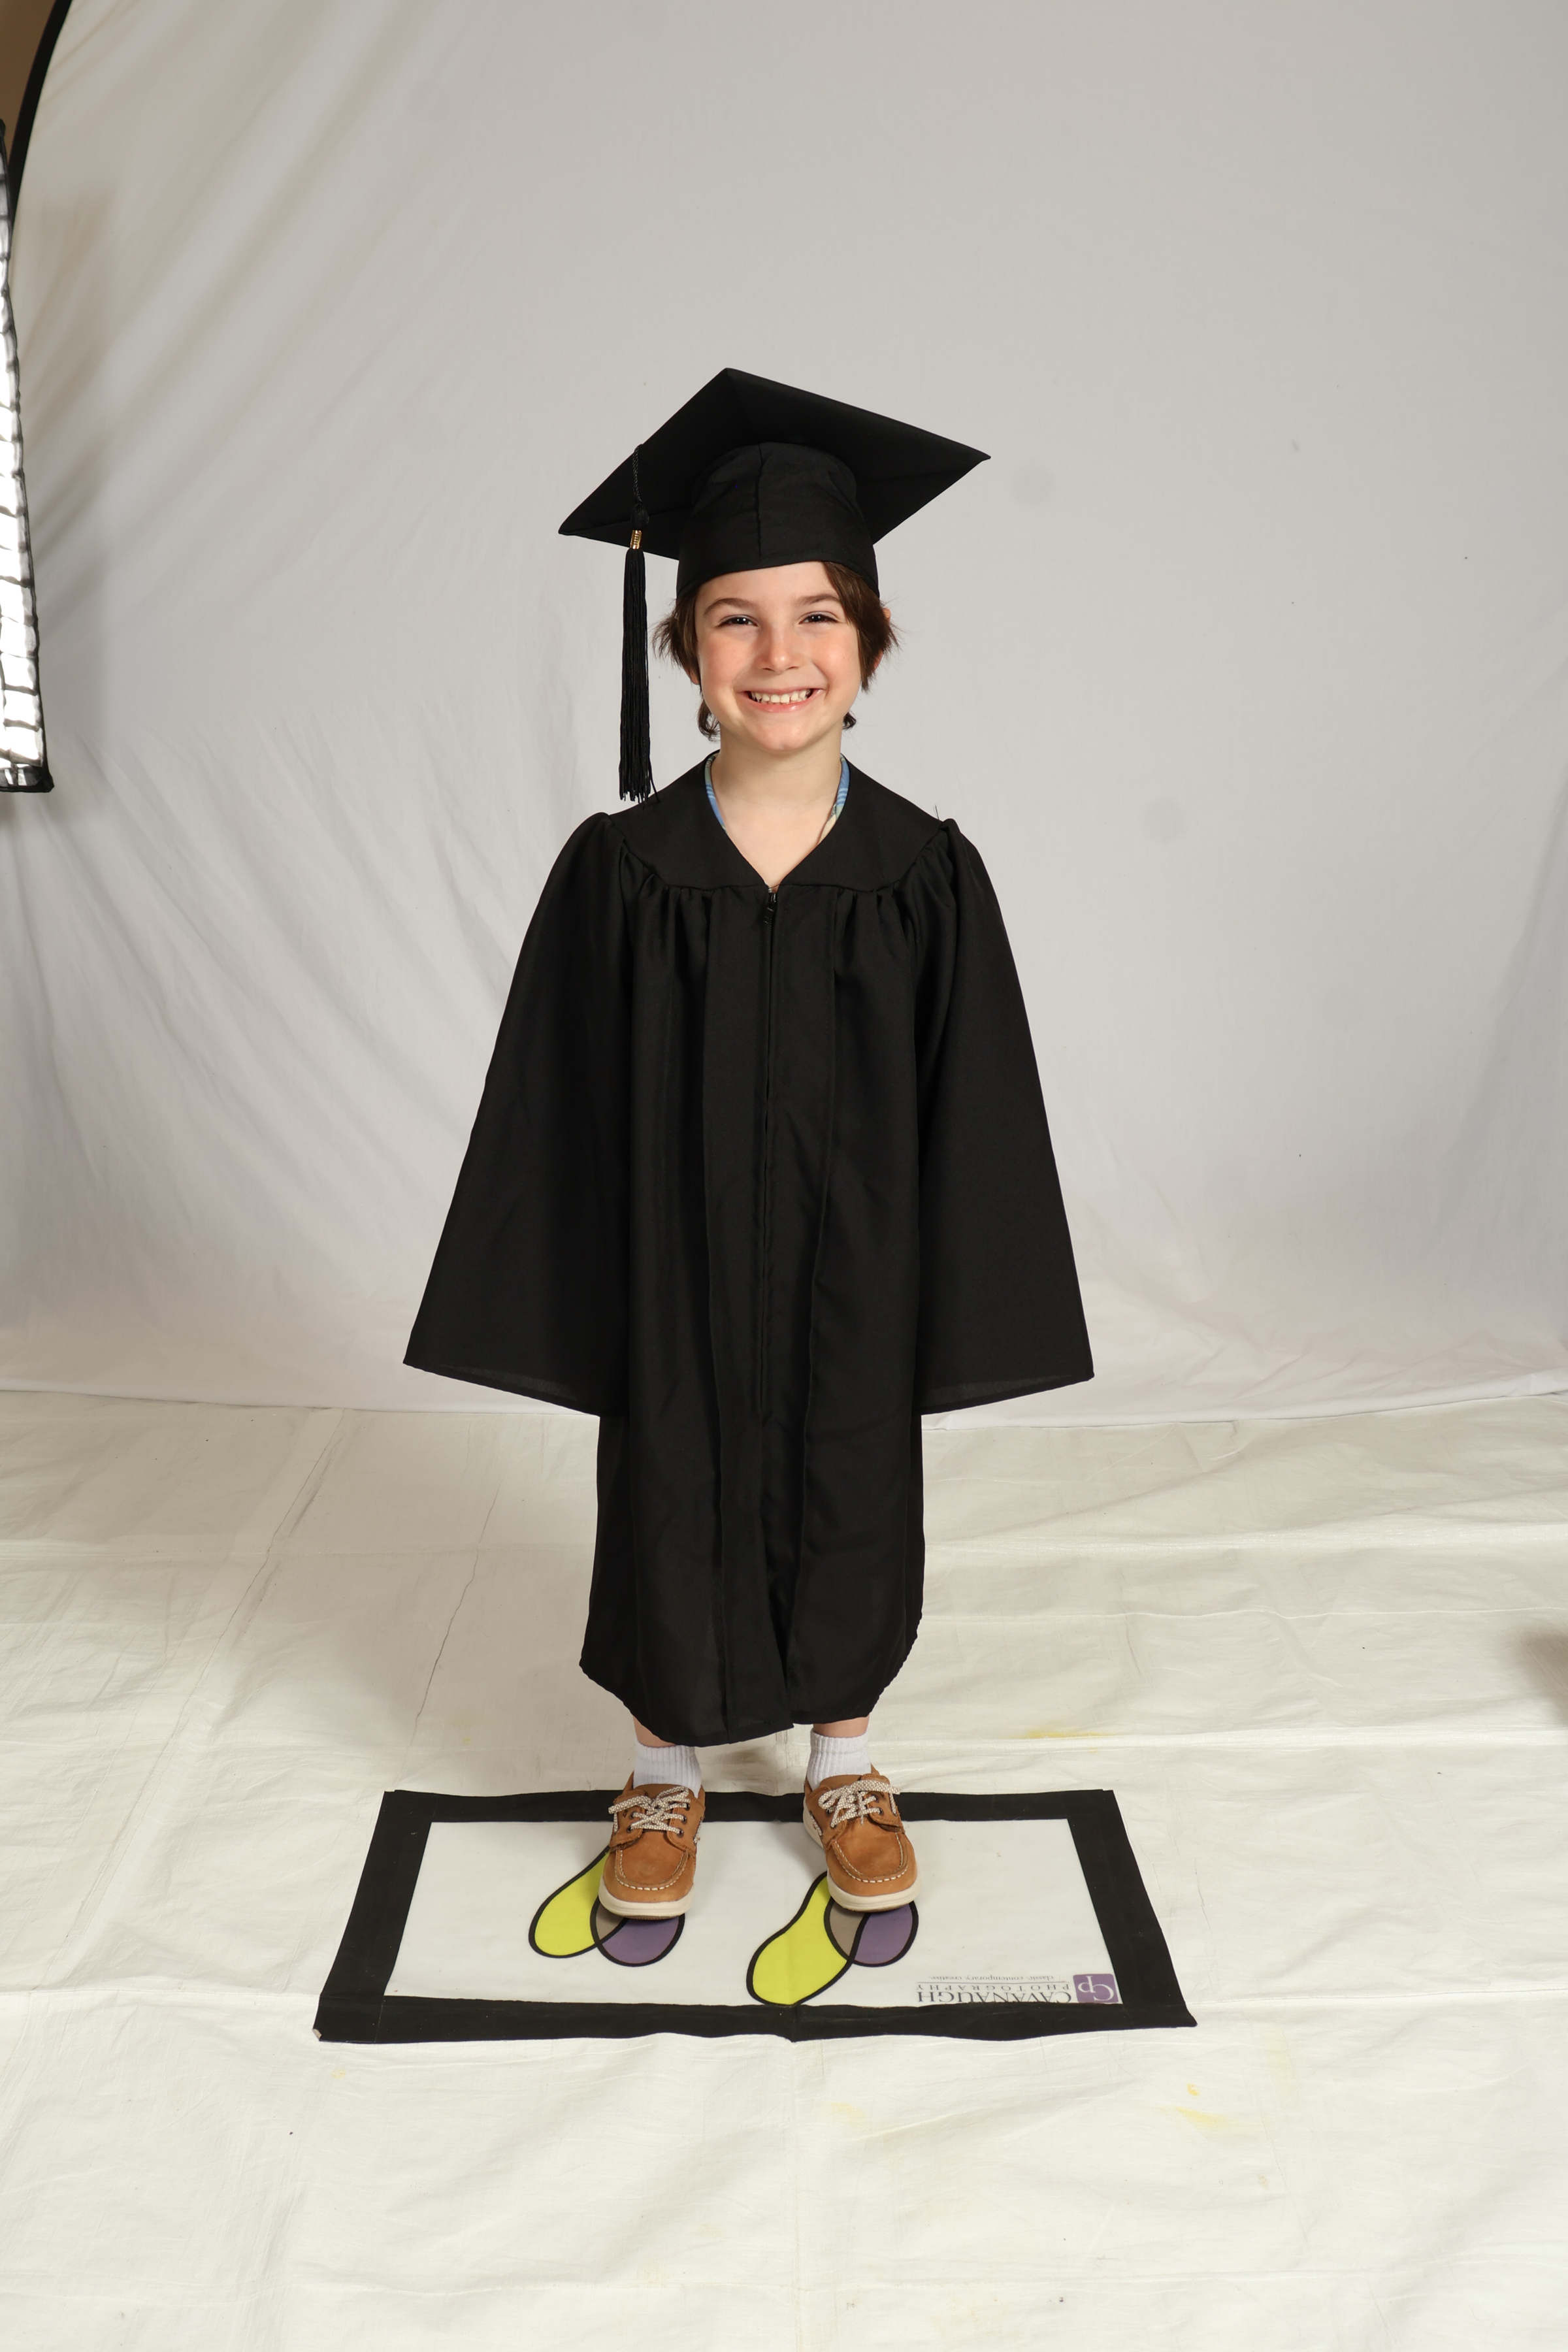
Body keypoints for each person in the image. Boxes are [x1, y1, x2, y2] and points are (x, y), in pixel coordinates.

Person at [406, 371, 1092, 1928]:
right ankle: (663, 1769)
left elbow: (977, 1113)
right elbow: (552, 1106)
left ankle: (842, 1758)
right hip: (675, 1264)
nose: (780, 656)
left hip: (863, 1271)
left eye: (818, 617)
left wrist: (949, 1301)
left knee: (853, 1482)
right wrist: (588, 1293)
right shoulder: (622, 873)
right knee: (667, 1480)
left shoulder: (925, 875)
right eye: (736, 619)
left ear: (870, 644)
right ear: (684, 651)